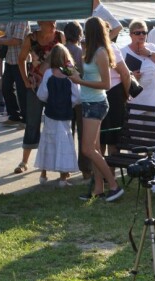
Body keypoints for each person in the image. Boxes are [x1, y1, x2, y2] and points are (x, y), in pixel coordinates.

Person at [69, 16, 123, 202]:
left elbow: (106, 84)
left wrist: (79, 80)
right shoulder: (90, 51)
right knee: (95, 148)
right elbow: (90, 76)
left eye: (85, 29)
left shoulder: (101, 52)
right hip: (88, 102)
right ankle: (98, 189)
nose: (83, 33)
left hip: (96, 104)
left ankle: (114, 185)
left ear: (91, 32)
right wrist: (74, 73)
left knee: (87, 149)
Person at [16, 21, 65, 175]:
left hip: (55, 85)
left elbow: (65, 60)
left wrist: (71, 79)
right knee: (32, 121)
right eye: (50, 22)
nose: (53, 24)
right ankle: (24, 161)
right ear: (40, 23)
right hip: (35, 85)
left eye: (54, 22)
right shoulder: (31, 38)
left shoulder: (59, 35)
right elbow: (21, 59)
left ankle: (60, 163)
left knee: (56, 122)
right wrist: (25, 80)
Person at [35, 44, 81, 187]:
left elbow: (42, 95)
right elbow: (78, 96)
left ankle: (43, 174)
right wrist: (69, 103)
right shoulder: (69, 74)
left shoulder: (48, 73)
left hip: (50, 113)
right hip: (65, 113)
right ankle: (63, 178)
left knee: (47, 141)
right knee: (64, 143)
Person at [0, 21, 30, 125]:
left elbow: (17, 40)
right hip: (10, 60)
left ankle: (26, 119)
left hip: (21, 61)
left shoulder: (22, 20)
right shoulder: (11, 20)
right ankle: (14, 116)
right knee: (6, 88)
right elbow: (8, 36)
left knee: (22, 91)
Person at [63, 21, 91, 180]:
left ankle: (65, 168)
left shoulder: (59, 51)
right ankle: (85, 169)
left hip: (64, 97)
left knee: (67, 133)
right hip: (80, 96)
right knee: (82, 133)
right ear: (79, 35)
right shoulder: (81, 52)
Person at [121, 19, 155, 110]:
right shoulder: (123, 52)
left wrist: (149, 53)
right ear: (131, 35)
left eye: (144, 32)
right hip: (135, 99)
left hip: (154, 99)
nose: (142, 35)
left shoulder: (151, 47)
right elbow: (116, 77)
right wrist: (131, 77)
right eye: (138, 33)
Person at [99, 24, 131, 162]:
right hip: (113, 93)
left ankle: (101, 173)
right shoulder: (111, 47)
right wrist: (127, 94)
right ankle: (108, 173)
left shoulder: (89, 48)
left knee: (101, 136)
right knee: (111, 136)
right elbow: (124, 73)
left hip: (98, 93)